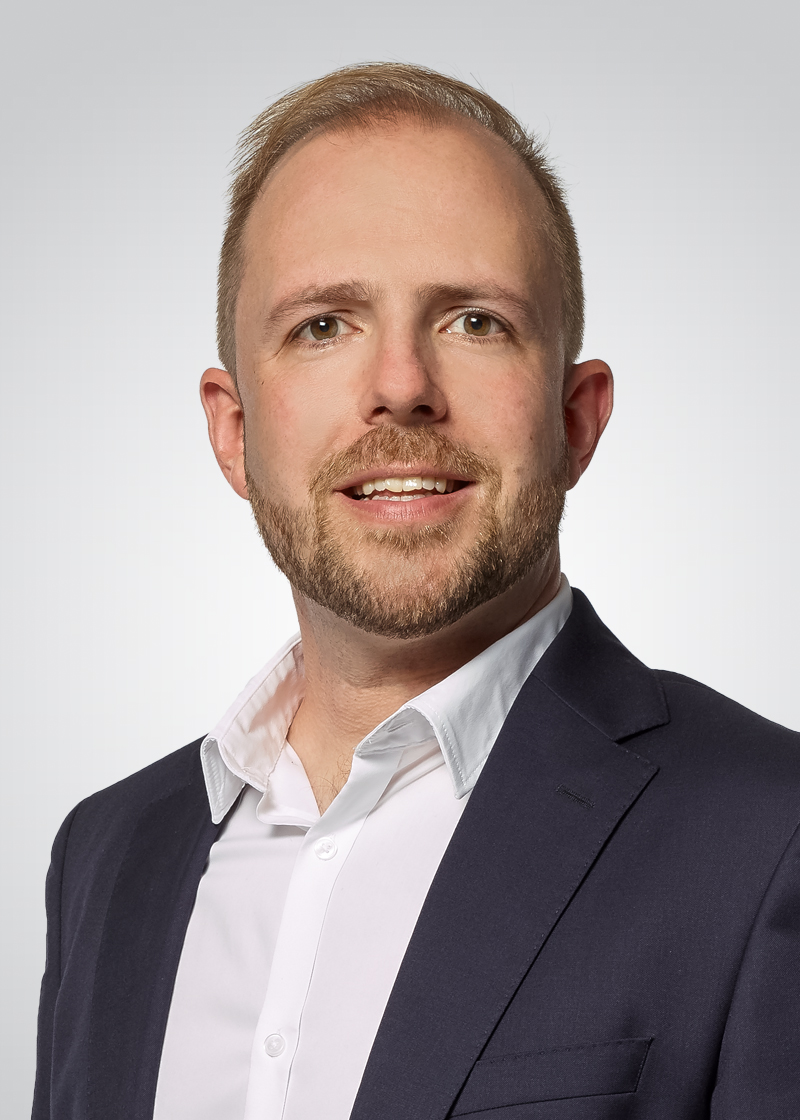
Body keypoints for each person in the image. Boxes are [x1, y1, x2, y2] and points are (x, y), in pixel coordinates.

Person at [32, 62, 800, 1120]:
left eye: (475, 321)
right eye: (323, 325)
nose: (400, 386)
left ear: (575, 420)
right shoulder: (107, 854)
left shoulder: (768, 834)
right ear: (234, 432)